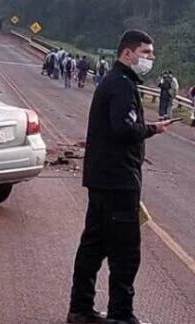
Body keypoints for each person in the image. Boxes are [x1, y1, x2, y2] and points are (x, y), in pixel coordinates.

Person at [67, 30, 172, 324]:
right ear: (127, 53)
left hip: (103, 178)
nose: (150, 59)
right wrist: (151, 129)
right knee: (125, 253)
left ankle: (81, 309)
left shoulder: (116, 83)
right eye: (146, 52)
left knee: (94, 245)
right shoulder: (121, 86)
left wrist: (148, 126)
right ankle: (121, 315)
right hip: (118, 181)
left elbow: (122, 125)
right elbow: (124, 130)